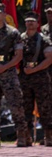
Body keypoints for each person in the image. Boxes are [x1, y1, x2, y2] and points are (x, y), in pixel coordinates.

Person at [0, 3, 26, 146]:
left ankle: (21, 136)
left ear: (4, 15)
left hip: (8, 73)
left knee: (15, 104)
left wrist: (5, 67)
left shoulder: (13, 33)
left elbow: (19, 56)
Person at [19, 11, 52, 147]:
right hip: (24, 79)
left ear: (37, 24)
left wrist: (34, 69)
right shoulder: (19, 38)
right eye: (28, 21)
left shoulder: (43, 39)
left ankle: (48, 136)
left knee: (45, 107)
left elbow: (49, 59)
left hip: (40, 79)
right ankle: (25, 136)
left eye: (32, 21)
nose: (30, 23)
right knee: (25, 108)